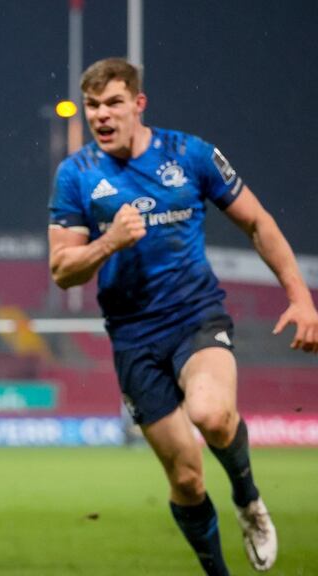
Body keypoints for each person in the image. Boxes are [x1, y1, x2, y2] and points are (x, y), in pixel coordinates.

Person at [48, 57, 318, 575]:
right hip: (132, 337)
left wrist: (300, 297)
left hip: (196, 316)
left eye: (113, 103)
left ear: (138, 104)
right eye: (92, 106)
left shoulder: (189, 154)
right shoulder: (76, 174)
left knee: (212, 415)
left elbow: (258, 223)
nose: (101, 115)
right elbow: (62, 270)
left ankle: (248, 499)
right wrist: (110, 241)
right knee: (187, 480)